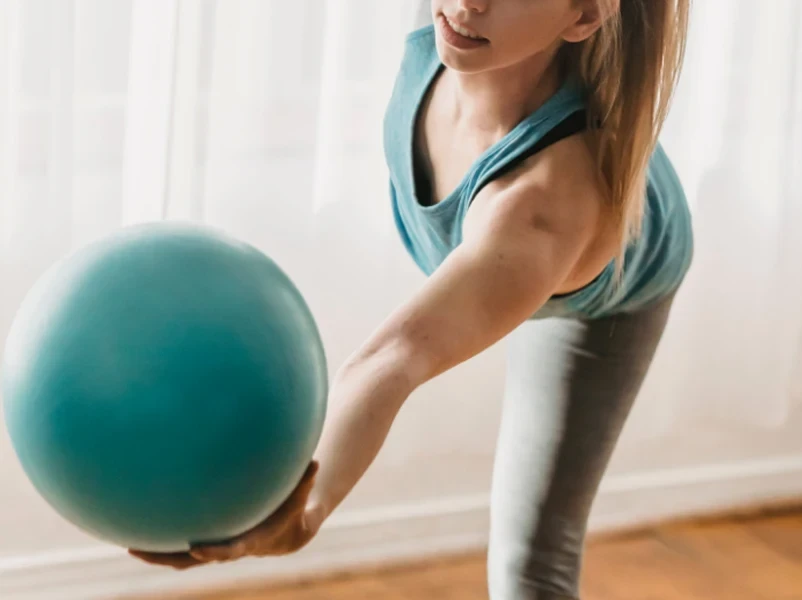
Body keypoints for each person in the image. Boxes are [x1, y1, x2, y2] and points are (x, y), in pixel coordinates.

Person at [131, 1, 693, 597]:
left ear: (581, 17)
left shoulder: (542, 208)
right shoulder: (458, 21)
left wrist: (306, 507)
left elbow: (392, 358)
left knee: (532, 559)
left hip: (607, 298)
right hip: (517, 210)